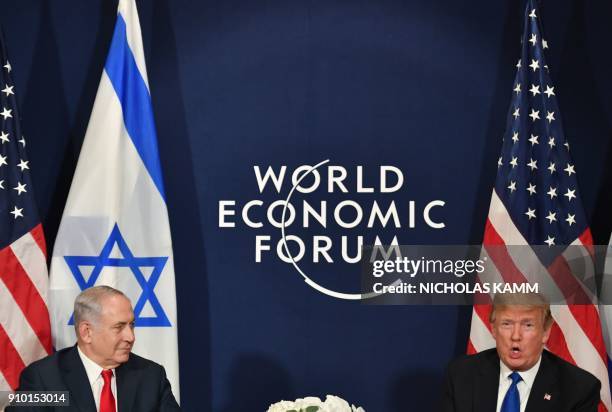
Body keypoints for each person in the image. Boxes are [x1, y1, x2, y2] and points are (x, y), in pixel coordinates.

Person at [8, 286, 180, 412]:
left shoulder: (151, 376)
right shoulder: (43, 379)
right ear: (86, 332)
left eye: (131, 325)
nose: (130, 337)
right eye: (119, 327)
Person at [441, 293, 600, 412]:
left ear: (545, 332)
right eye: (507, 324)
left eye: (528, 325)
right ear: (494, 330)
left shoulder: (579, 389)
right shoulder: (462, 374)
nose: (515, 336)